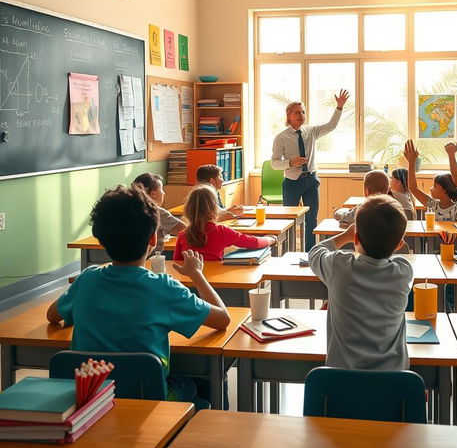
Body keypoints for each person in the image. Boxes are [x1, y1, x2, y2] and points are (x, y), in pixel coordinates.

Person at [46, 185, 230, 405]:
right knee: (204, 381)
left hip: (91, 400)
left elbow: (52, 315)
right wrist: (197, 275)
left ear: (101, 241)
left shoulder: (86, 279)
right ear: (153, 239)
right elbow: (222, 319)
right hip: (148, 401)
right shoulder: (164, 287)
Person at [309, 195, 413, 370]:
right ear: (399, 245)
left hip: (341, 382)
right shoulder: (403, 271)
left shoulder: (339, 266)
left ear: (356, 239)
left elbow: (316, 251)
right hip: (392, 385)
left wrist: (345, 236)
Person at [271, 89, 350, 251]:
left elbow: (331, 126)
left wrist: (339, 107)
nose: (301, 115)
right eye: (297, 113)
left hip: (311, 181)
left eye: (303, 112)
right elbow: (274, 163)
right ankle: (288, 252)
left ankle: (310, 252)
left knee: (311, 220)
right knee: (289, 220)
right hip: (292, 183)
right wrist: (290, 163)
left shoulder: (311, 131)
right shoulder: (281, 137)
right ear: (289, 116)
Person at [173, 184, 276, 261]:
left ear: (188, 209)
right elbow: (253, 242)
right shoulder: (221, 231)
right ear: (215, 208)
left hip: (190, 283)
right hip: (215, 284)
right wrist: (271, 239)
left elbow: (177, 262)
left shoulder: (184, 235)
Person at [404, 140, 457, 221]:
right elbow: (413, 188)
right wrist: (411, 163)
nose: (430, 188)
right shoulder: (432, 204)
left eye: (434, 186)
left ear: (445, 190)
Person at [132, 173, 187, 251]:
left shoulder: (129, 209)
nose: (164, 193)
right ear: (153, 194)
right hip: (153, 258)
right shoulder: (157, 212)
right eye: (162, 189)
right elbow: (185, 232)